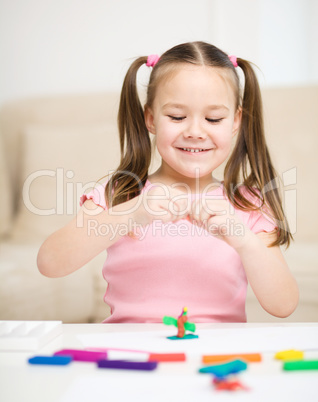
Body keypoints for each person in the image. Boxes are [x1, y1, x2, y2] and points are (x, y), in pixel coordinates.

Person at [37, 41, 299, 323]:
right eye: (177, 116)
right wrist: (132, 213)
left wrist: (245, 241)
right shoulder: (122, 194)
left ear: (235, 122)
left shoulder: (248, 204)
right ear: (151, 118)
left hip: (216, 355)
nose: (195, 131)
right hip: (132, 353)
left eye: (213, 118)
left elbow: (283, 305)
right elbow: (50, 263)